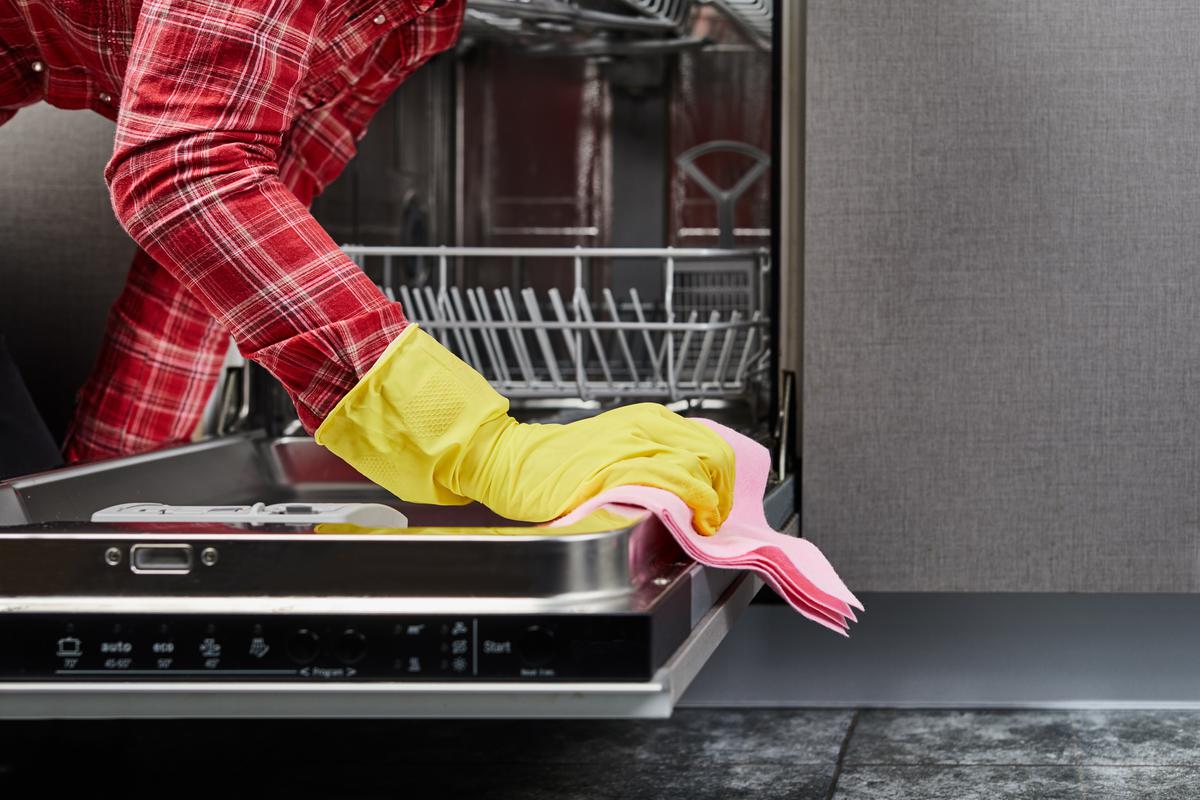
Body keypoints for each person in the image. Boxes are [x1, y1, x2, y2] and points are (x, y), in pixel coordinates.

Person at [0, 0, 735, 533]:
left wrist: (103, 528)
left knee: (29, 531)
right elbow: (188, 173)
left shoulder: (412, 15)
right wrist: (476, 445)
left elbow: (217, 248)